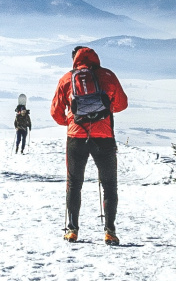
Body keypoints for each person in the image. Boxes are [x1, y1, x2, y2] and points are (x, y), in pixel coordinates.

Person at [50, 45, 128, 245]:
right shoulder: (108, 75)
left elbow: (56, 113)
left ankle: (72, 230)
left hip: (76, 137)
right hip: (104, 137)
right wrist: (103, 110)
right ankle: (110, 232)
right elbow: (122, 104)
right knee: (109, 185)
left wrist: (73, 120)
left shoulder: (67, 79)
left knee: (74, 184)